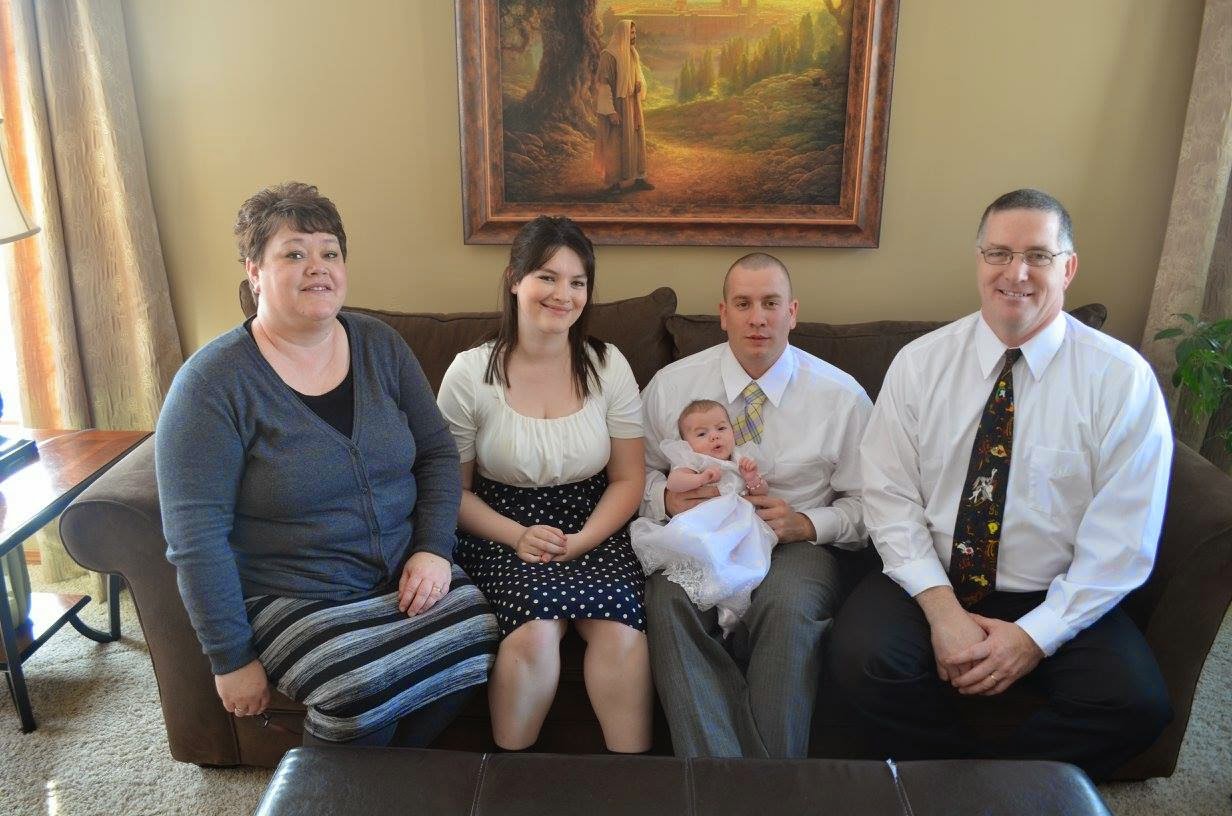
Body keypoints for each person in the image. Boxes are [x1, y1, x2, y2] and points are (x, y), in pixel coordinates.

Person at [829, 188, 1174, 780]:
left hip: (1052, 588)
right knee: (863, 663)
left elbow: (1122, 541)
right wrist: (942, 610)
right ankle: (971, 783)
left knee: (1134, 703)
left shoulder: (1122, 380)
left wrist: (1034, 637)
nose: (1016, 273)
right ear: (979, 260)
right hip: (932, 574)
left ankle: (973, 789)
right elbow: (888, 497)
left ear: (1068, 268)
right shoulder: (920, 364)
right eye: (999, 254)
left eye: (1038, 256)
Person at [155, 182, 499, 747]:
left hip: (402, 572)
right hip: (290, 592)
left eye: (330, 252)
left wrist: (433, 549)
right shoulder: (211, 385)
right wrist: (230, 657)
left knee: (480, 634)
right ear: (254, 272)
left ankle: (387, 778)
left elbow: (438, 454)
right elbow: (195, 538)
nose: (317, 267)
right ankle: (328, 783)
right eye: (294, 253)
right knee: (355, 686)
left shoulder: (380, 345)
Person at [639, 252, 872, 758]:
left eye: (770, 303)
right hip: (705, 536)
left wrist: (808, 523)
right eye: (743, 304)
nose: (757, 318)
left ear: (792, 312)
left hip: (796, 547)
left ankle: (768, 785)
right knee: (667, 599)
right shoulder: (672, 386)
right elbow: (634, 474)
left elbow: (873, 504)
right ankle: (721, 775)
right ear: (723, 314)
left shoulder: (842, 397)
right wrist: (667, 498)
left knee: (787, 607)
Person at [436, 215, 652, 752]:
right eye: (547, 278)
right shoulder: (469, 373)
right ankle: (508, 776)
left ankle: (635, 781)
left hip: (595, 521)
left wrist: (583, 540)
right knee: (535, 634)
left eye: (577, 282)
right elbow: (450, 492)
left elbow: (629, 478)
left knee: (622, 634)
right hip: (499, 525)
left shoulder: (608, 365)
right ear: (515, 279)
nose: (563, 295)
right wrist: (517, 536)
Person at [629, 399, 775, 635]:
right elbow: (675, 482)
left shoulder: (739, 459)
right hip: (705, 524)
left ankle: (733, 608)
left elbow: (761, 492)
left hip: (739, 527)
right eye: (702, 433)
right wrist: (700, 478)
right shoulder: (694, 460)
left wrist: (752, 478)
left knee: (745, 565)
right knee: (706, 554)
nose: (714, 436)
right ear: (687, 443)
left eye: (721, 428)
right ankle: (715, 600)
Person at [595, 20, 654, 194]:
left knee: (636, 140)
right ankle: (614, 183)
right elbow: (604, 86)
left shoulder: (632, 52)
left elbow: (637, 76)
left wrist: (638, 85)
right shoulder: (608, 56)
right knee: (615, 143)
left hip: (633, 104)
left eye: (635, 33)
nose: (634, 36)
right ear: (622, 34)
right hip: (618, 106)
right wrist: (611, 111)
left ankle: (639, 178)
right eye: (631, 33)